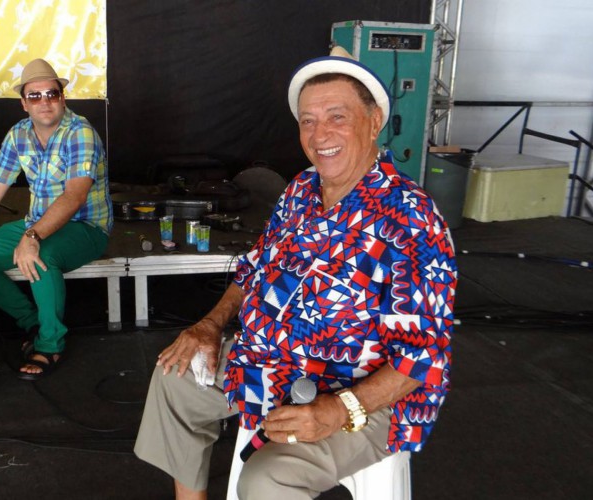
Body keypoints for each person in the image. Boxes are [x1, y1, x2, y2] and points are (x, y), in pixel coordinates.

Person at [134, 47, 458, 499]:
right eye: (308, 120)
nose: (319, 133)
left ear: (374, 121)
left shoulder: (411, 218)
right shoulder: (301, 191)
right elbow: (254, 271)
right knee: (176, 376)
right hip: (271, 366)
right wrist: (209, 326)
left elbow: (422, 357)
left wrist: (338, 409)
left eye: (336, 116)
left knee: (268, 479)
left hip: (366, 395)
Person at [0, 58, 112, 381]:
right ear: (24, 103)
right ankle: (32, 322)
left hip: (86, 228)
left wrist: (32, 238)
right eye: (34, 96)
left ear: (63, 97)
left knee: (43, 257)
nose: (44, 101)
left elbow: (74, 196)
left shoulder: (80, 133)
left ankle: (51, 343)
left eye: (51, 93)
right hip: (36, 223)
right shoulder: (18, 135)